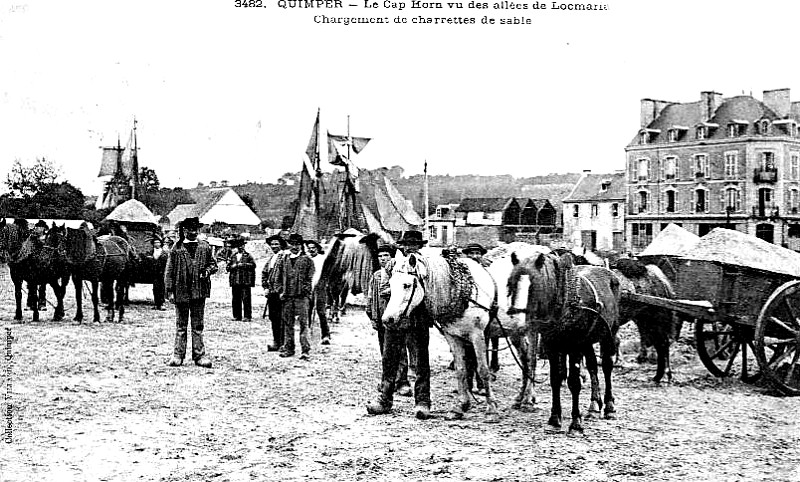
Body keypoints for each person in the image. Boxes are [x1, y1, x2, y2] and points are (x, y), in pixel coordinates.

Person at [367, 230, 432, 420]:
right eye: (407, 244)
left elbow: (430, 293)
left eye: (414, 244)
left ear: (420, 246)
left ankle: (422, 401)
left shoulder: (425, 266)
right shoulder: (392, 265)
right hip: (394, 319)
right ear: (402, 246)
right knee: (389, 360)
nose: (410, 248)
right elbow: (384, 288)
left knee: (420, 361)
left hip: (416, 319)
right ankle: (384, 399)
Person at [164, 217, 218, 368]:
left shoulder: (205, 247)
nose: (193, 232)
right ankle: (178, 355)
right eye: (190, 229)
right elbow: (169, 271)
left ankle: (199, 356)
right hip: (181, 291)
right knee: (181, 325)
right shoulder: (176, 249)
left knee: (197, 325)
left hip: (199, 291)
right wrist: (169, 291)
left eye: (196, 229)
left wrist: (207, 271)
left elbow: (213, 265)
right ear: (184, 230)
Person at [366, 244, 413, 397]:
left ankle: (402, 382)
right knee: (385, 353)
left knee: (400, 351)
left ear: (392, 257)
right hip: (381, 319)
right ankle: (387, 382)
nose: (383, 259)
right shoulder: (376, 276)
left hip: (396, 319)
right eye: (380, 256)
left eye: (386, 256)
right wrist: (373, 316)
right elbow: (371, 298)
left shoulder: (398, 275)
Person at [275, 233, 315, 360]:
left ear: (301, 245)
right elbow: (278, 278)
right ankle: (288, 348)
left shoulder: (307, 260)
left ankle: (305, 350)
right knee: (288, 323)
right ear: (289, 245)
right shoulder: (284, 260)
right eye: (292, 244)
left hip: (301, 297)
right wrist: (280, 291)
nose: (294, 247)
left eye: (297, 244)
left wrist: (305, 291)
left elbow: (310, 278)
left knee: (304, 323)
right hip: (287, 297)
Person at [262, 234, 289, 351]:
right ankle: (276, 342)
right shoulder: (271, 258)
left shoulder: (285, 257)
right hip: (272, 293)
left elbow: (287, 276)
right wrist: (265, 287)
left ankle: (284, 343)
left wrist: (284, 290)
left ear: (281, 245)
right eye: (272, 244)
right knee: (273, 318)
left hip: (281, 293)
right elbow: (264, 273)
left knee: (283, 318)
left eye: (276, 244)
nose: (274, 246)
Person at [305, 239, 331, 345]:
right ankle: (308, 332)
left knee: (321, 311)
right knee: (307, 310)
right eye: (309, 248)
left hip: (320, 287)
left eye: (313, 248)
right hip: (308, 288)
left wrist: (323, 283)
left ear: (317, 249)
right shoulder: (306, 259)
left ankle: (325, 335)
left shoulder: (322, 259)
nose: (311, 250)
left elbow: (327, 273)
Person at [227, 235, 256, 322]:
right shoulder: (233, 256)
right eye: (239, 245)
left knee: (246, 299)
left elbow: (253, 265)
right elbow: (228, 267)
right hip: (235, 281)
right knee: (235, 299)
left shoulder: (248, 256)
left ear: (244, 246)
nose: (240, 247)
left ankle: (247, 316)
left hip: (245, 281)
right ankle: (237, 316)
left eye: (242, 245)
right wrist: (233, 266)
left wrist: (243, 265)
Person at [27, 220, 49, 311]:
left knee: (42, 286)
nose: (39, 228)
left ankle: (42, 303)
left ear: (44, 228)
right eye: (38, 227)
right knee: (31, 285)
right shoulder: (32, 237)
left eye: (41, 227)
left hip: (43, 264)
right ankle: (30, 304)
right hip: (32, 264)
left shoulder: (46, 238)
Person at [151, 237, 168, 310]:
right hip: (154, 273)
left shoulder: (164, 252)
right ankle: (156, 303)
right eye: (155, 243)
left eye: (158, 242)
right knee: (155, 288)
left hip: (162, 272)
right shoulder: (151, 252)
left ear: (161, 244)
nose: (157, 244)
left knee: (162, 288)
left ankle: (161, 303)